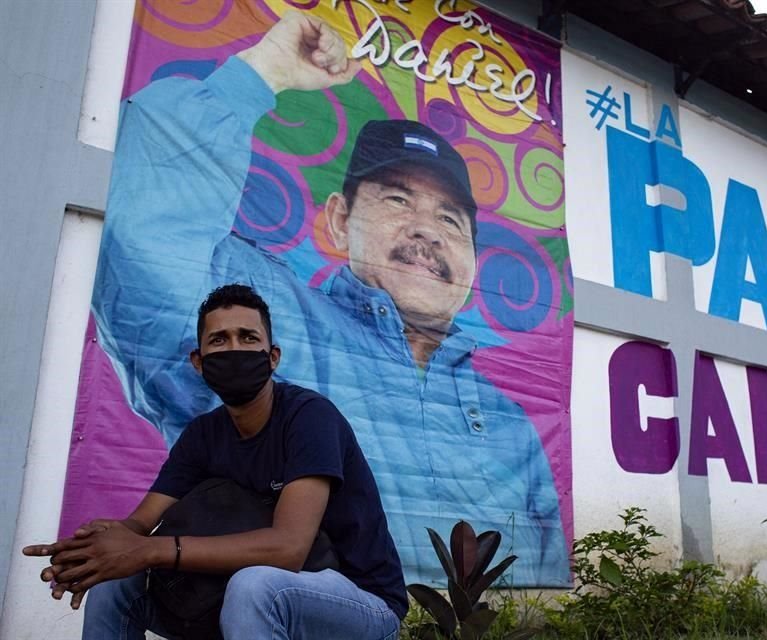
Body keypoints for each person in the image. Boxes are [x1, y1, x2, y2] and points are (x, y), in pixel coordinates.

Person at [92, 10, 568, 585]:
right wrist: (260, 73)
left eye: (450, 217)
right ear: (340, 222)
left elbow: (540, 585)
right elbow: (146, 239)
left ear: (472, 260)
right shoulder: (264, 313)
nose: (428, 230)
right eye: (397, 200)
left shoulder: (514, 425)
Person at [25, 284, 408, 639]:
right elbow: (139, 524)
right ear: (198, 360)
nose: (234, 350)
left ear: (272, 357)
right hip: (239, 597)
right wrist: (94, 550)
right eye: (219, 340)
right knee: (115, 582)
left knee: (254, 586)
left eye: (248, 337)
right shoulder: (202, 435)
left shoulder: (309, 417)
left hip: (361, 600)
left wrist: (153, 549)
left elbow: (287, 549)